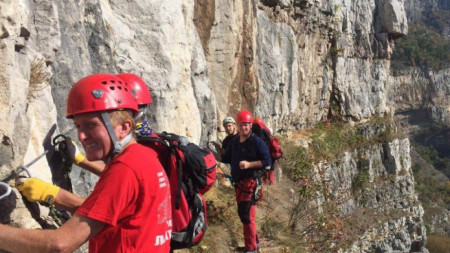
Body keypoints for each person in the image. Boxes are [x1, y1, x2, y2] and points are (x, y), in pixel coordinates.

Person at [0, 73, 172, 253]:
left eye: (90, 125)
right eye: (78, 127)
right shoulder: (144, 156)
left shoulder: (125, 168)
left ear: (124, 127)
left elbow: (60, 243)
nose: (81, 136)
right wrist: (56, 193)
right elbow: (107, 212)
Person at [221, 110, 271, 253]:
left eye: (247, 125)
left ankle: (251, 249)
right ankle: (254, 243)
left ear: (250, 125)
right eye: (242, 125)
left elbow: (267, 161)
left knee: (247, 217)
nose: (244, 127)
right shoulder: (236, 140)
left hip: (250, 183)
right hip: (239, 184)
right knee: (243, 215)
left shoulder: (256, 142)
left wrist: (249, 165)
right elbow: (228, 158)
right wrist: (215, 154)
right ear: (238, 125)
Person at [252, 117, 275, 185]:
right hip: (269, 153)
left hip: (261, 154)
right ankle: (270, 183)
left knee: (262, 171)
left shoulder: (257, 130)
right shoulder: (266, 130)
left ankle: (265, 183)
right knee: (269, 169)